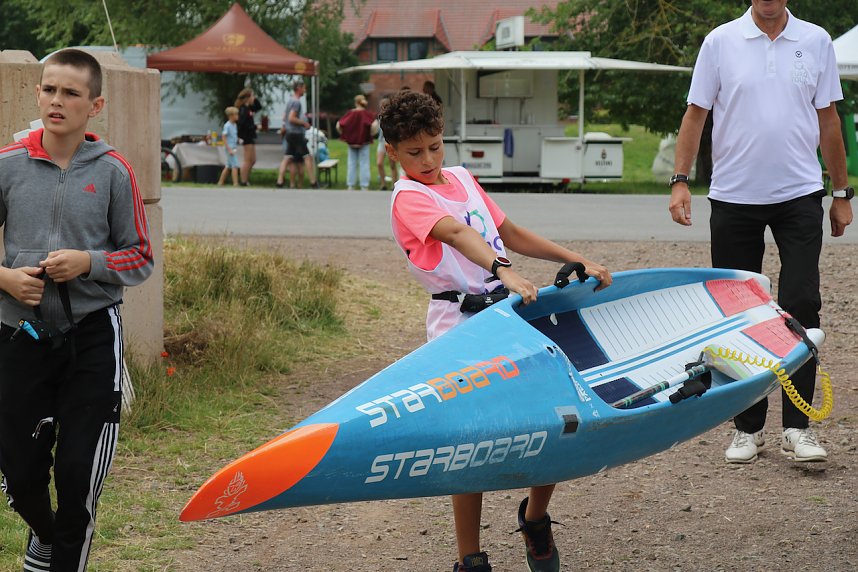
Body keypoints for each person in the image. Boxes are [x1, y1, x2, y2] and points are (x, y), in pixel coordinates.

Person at [380, 89, 611, 572]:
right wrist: (503, 270)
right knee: (469, 440)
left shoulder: (463, 178)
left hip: (507, 314)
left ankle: (535, 518)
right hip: (458, 325)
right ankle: (470, 558)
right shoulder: (408, 197)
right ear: (392, 152)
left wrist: (576, 258)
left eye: (435, 146)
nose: (428, 160)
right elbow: (457, 233)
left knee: (556, 414)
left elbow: (508, 231)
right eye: (414, 152)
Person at [668, 0, 852, 464]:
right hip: (734, 197)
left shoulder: (815, 40)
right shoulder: (720, 41)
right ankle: (747, 428)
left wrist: (842, 192)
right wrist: (680, 180)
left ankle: (798, 428)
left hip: (800, 194)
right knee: (739, 313)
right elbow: (695, 114)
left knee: (802, 303)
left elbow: (829, 119)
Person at [0, 48, 153, 571]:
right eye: (49, 89)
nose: (57, 101)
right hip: (18, 333)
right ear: (37, 93)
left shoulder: (113, 171)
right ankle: (44, 536)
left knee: (77, 474)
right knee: (19, 473)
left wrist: (89, 262)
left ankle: (65, 559)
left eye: (70, 93)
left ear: (95, 105)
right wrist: (6, 278)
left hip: (92, 335)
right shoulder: (8, 165)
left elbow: (140, 256)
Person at [276, 80, 318, 189]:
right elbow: (291, 118)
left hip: (289, 133)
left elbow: (285, 117)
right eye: (304, 88)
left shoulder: (290, 101)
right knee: (307, 157)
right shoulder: (296, 102)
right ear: (298, 88)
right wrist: (304, 123)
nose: (305, 90)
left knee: (287, 157)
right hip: (297, 133)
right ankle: (313, 182)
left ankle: (280, 181)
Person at [336, 94, 377, 190]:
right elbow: (374, 125)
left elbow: (339, 125)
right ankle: (364, 185)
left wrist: (344, 134)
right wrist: (370, 134)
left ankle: (351, 185)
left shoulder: (350, 113)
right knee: (364, 163)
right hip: (364, 142)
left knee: (351, 164)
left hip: (351, 143)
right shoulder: (367, 114)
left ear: (356, 103)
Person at [235, 87, 262, 186]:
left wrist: (255, 98)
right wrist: (255, 127)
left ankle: (245, 179)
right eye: (252, 96)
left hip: (250, 136)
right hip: (246, 136)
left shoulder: (249, 108)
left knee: (253, 160)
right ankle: (243, 181)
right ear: (247, 98)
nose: (253, 98)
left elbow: (259, 107)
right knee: (247, 160)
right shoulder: (243, 109)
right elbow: (242, 124)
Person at [376, 97, 398, 190]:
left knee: (392, 164)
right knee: (379, 163)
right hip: (382, 141)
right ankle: (383, 184)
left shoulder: (393, 117)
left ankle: (394, 184)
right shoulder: (380, 117)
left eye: (384, 106)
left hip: (390, 142)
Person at [218, 106, 240, 186]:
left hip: (233, 147)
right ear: (231, 116)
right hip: (230, 148)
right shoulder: (227, 125)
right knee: (235, 165)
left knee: (228, 166)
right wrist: (229, 149)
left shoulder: (234, 125)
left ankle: (220, 182)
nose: (237, 116)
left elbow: (233, 135)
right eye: (236, 114)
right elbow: (224, 137)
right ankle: (235, 183)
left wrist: (238, 139)